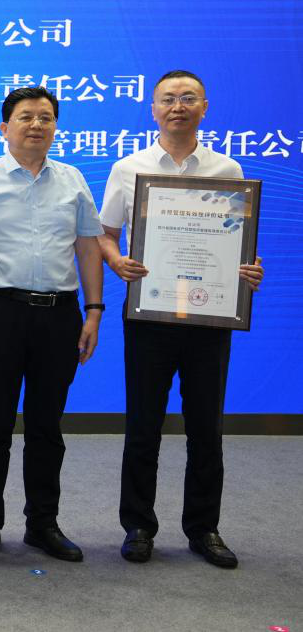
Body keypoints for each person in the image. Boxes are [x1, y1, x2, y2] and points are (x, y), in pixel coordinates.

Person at [98, 70, 263, 569]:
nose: (178, 106)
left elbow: (237, 241)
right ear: (153, 109)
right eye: (168, 98)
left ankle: (204, 528)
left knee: (206, 428)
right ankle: (138, 527)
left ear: (204, 107)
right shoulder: (129, 168)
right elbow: (105, 233)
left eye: (188, 98)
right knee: (142, 426)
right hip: (149, 312)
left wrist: (246, 270)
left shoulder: (226, 169)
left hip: (209, 316)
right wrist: (116, 261)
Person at [0, 86, 104, 563]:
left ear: (55, 126)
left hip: (59, 314)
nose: (37, 125)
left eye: (45, 117)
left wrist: (94, 311)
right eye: (26, 117)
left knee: (46, 426)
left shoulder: (73, 180)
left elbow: (88, 247)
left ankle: (43, 523)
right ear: (5, 127)